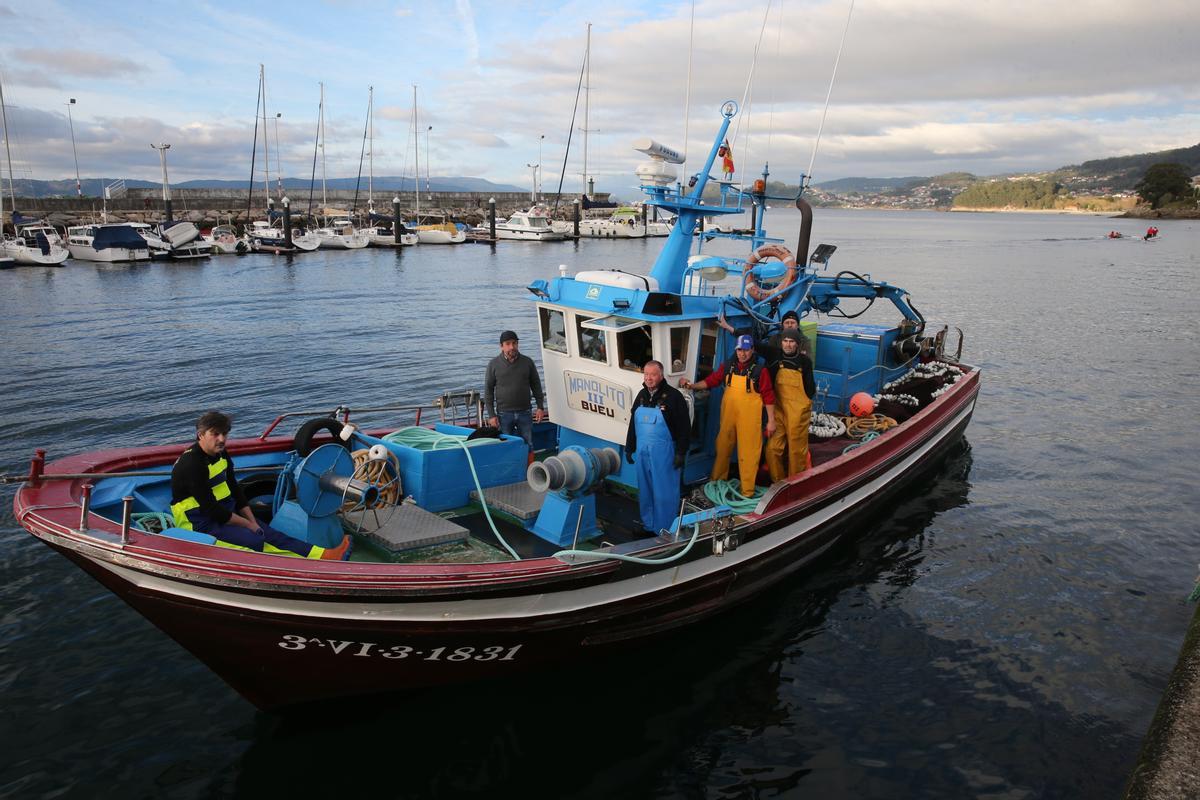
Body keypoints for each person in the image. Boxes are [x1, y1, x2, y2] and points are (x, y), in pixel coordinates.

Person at [170, 411, 351, 559]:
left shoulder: (221, 454)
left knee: (270, 533)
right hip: (198, 521)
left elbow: (236, 491)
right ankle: (301, 566)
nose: (221, 439)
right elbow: (212, 510)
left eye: (224, 434)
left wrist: (251, 520)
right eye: (215, 434)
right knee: (254, 540)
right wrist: (249, 525)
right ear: (200, 435)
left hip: (223, 511)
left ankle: (322, 555)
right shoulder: (192, 464)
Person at [681, 334, 776, 497]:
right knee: (722, 448)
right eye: (740, 350)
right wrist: (692, 386)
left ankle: (747, 492)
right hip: (728, 418)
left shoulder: (761, 371)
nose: (743, 354)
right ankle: (716, 484)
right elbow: (711, 381)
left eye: (746, 350)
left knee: (749, 454)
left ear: (752, 350)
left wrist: (771, 421)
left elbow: (768, 396)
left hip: (749, 420)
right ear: (736, 350)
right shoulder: (728, 366)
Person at [625, 360, 691, 535]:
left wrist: (680, 453)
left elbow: (685, 428)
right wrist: (629, 447)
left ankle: (665, 529)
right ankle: (648, 526)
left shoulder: (674, 397)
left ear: (661, 376)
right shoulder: (641, 396)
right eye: (646, 374)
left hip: (665, 454)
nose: (649, 378)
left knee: (665, 493)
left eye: (653, 375)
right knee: (645, 491)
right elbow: (633, 424)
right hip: (642, 452)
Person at [765, 329, 815, 482]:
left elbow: (810, 389)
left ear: (797, 344)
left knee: (796, 451)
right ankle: (778, 484)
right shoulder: (776, 358)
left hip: (798, 413)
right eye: (785, 341)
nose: (788, 344)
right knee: (772, 449)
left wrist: (803, 405)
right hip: (780, 411)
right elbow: (757, 346)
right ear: (781, 342)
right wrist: (731, 329)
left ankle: (795, 484)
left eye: (791, 341)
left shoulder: (805, 362)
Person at [484, 330, 547, 448]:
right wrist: (492, 415)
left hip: (525, 412)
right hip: (504, 414)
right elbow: (488, 391)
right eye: (508, 344)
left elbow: (536, 386)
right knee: (506, 446)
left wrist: (540, 407)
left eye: (514, 343)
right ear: (501, 346)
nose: (512, 347)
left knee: (528, 443)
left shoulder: (527, 362)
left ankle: (528, 466)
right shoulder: (493, 364)